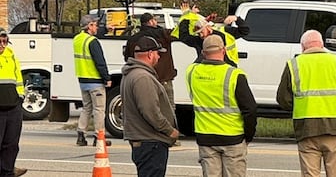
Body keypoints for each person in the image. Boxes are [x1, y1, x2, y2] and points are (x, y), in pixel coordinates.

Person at [276, 30, 336, 177]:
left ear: (303, 47)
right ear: (322, 45)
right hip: (335, 128)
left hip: (307, 129)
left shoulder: (295, 64)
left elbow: (283, 100)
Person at [186, 35, 257, 177]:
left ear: (203, 53)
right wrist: (248, 136)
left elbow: (199, 60)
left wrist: (203, 39)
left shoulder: (192, 72)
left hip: (206, 137)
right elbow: (250, 109)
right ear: (224, 50)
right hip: (232, 137)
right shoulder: (234, 75)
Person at [121, 36, 180, 177]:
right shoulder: (142, 77)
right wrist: (169, 130)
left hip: (145, 141)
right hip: (150, 142)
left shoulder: (132, 74)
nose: (159, 57)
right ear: (150, 54)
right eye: (158, 53)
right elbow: (150, 111)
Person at [73, 14, 112, 147]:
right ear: (89, 26)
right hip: (95, 80)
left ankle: (81, 135)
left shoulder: (77, 39)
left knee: (86, 108)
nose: (97, 27)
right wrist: (107, 78)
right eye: (95, 25)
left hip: (83, 80)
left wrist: (106, 30)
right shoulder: (92, 42)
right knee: (99, 109)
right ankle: (99, 137)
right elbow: (100, 62)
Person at [0, 31, 27, 177]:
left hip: (13, 108)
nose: (2, 45)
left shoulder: (12, 56)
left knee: (11, 144)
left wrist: (20, 97)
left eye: (5, 41)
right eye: (0, 41)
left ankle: (8, 172)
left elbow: (18, 80)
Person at [178, 12, 249, 67]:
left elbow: (245, 31)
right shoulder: (200, 40)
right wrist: (186, 17)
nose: (201, 35)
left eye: (201, 32)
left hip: (227, 67)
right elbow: (184, 37)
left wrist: (236, 18)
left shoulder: (225, 32)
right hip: (209, 71)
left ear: (208, 27)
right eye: (198, 33)